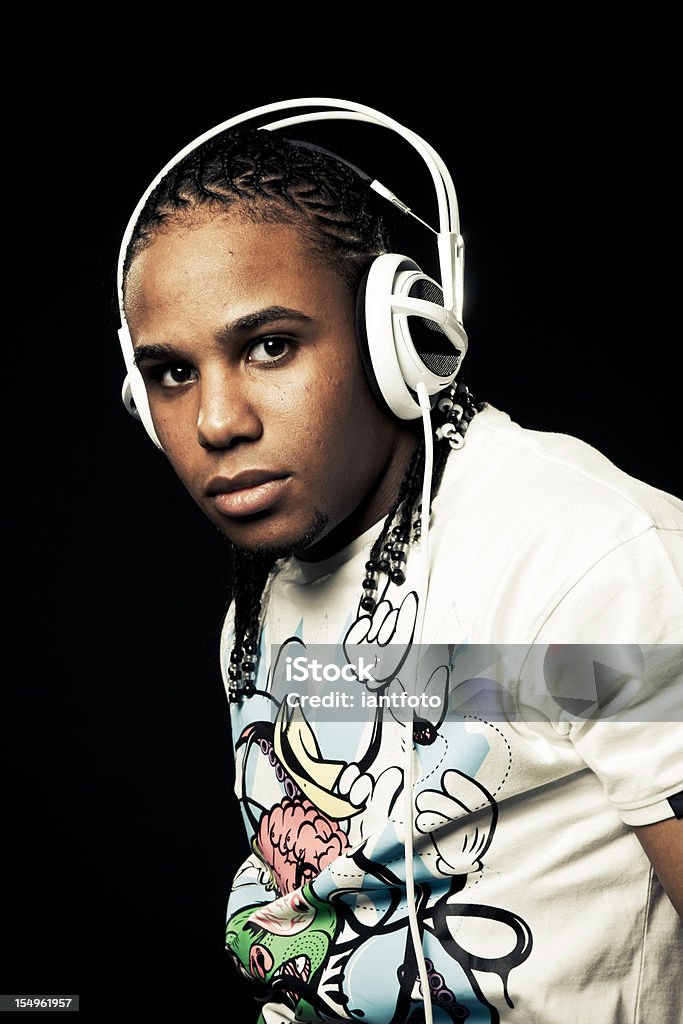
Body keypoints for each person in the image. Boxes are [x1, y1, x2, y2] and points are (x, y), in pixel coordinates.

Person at [116, 99, 682, 1024]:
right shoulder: (261, 596)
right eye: (173, 372)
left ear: (401, 338)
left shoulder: (590, 562)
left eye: (269, 346)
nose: (217, 422)